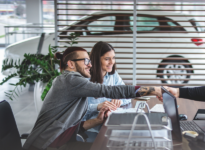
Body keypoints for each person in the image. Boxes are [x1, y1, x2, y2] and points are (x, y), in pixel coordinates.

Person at [23, 47, 162, 150]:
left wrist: (96, 121)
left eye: (89, 60)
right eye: (86, 61)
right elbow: (111, 91)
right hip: (47, 145)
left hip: (60, 141)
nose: (90, 64)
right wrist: (154, 90)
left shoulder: (70, 81)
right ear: (71, 64)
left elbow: (70, 125)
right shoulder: (71, 80)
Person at [82, 42, 132, 142]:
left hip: (109, 123)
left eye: (113, 58)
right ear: (97, 59)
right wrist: (98, 106)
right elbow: (79, 109)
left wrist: (119, 100)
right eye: (107, 59)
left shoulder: (113, 75)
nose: (111, 62)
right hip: (92, 128)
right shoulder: (85, 79)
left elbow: (127, 95)